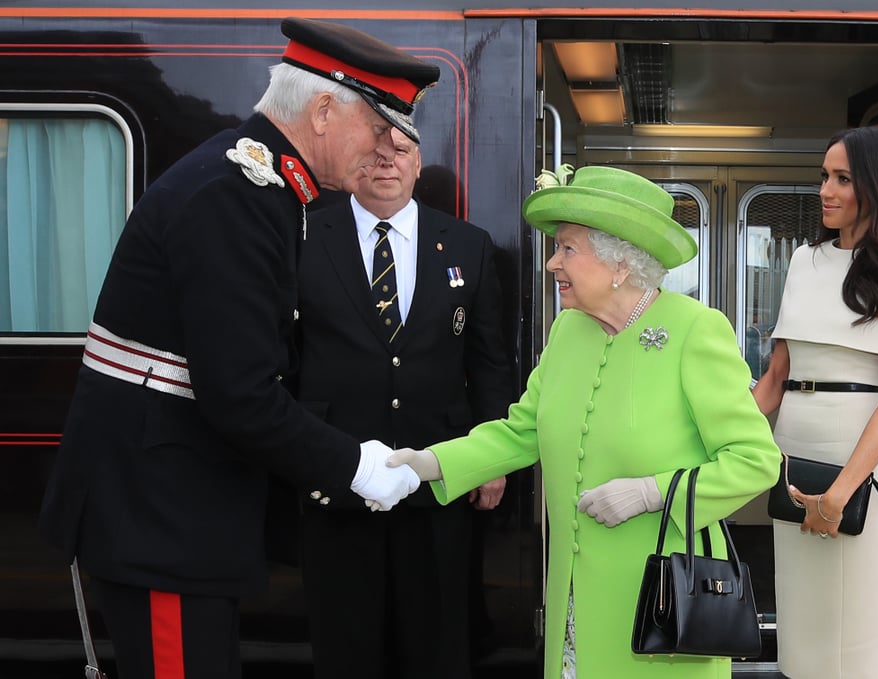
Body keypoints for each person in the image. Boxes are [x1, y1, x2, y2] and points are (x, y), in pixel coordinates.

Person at [37, 18, 440, 679]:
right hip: (161, 521)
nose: (385, 149)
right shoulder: (238, 198)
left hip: (177, 516)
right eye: (377, 127)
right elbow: (239, 393)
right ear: (321, 112)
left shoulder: (265, 191)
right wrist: (355, 465)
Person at [389, 165, 782, 679]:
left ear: (620, 261)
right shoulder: (569, 330)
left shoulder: (695, 331)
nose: (552, 263)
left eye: (568, 248)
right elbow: (522, 430)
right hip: (574, 608)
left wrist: (650, 492)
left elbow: (756, 461)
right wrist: (430, 463)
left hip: (661, 610)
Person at [296, 127, 514, 679]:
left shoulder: (469, 244)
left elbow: (489, 362)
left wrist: (490, 458)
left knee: (436, 644)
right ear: (351, 164)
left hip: (439, 480)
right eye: (373, 151)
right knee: (346, 644)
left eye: (401, 151)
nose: (386, 163)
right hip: (335, 473)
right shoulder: (302, 236)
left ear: (419, 164)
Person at [751, 126, 878, 678]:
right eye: (823, 177)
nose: (825, 191)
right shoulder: (805, 262)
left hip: (864, 467)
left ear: (876, 187)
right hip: (794, 458)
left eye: (842, 179)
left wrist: (837, 496)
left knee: (860, 629)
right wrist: (706, 428)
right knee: (803, 628)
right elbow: (774, 381)